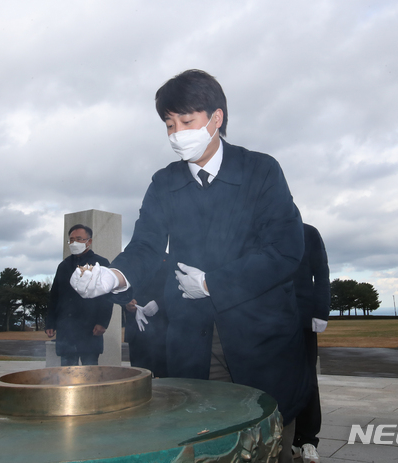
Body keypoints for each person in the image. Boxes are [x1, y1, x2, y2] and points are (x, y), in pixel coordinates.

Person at [70, 69, 309, 463]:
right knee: (208, 441)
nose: (176, 133)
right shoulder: (165, 182)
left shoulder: (260, 171)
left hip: (260, 333)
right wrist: (112, 275)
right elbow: (146, 246)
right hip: (193, 339)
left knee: (268, 442)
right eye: (168, 124)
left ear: (215, 119)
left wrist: (215, 282)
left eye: (186, 121)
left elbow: (285, 250)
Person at [45, 224, 113, 366]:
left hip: (90, 327)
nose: (74, 243)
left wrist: (102, 322)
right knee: (67, 373)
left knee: (90, 371)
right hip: (66, 328)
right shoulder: (63, 265)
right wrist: (50, 322)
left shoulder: (101, 263)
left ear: (89, 241)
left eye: (79, 239)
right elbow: (54, 296)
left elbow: (107, 297)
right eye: (71, 239)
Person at [291, 224, 330, 463]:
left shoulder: (308, 232)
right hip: (266, 319)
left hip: (303, 317)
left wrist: (321, 310)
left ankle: (307, 440)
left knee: (307, 379)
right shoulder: (257, 229)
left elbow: (321, 272)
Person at [120, 257, 169, 378]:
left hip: (161, 331)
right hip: (137, 332)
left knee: (163, 377)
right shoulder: (131, 261)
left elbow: (176, 290)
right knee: (138, 375)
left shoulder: (170, 260)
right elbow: (122, 289)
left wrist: (159, 303)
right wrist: (126, 303)